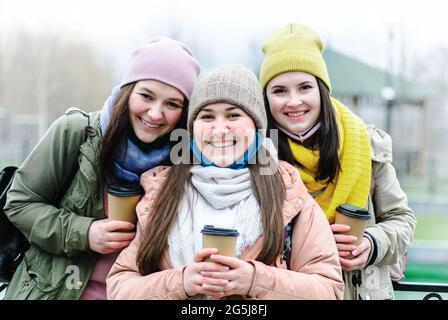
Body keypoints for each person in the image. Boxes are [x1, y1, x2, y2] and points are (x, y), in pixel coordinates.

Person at [106, 64, 343, 300]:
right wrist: (181, 282)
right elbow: (120, 286)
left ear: (256, 126)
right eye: (207, 117)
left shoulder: (288, 191)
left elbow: (329, 289)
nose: (219, 130)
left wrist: (254, 280)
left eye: (233, 115)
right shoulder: (162, 190)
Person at [4, 37, 200, 299]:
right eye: (146, 96)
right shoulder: (76, 132)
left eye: (172, 104)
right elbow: (20, 203)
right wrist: (84, 233)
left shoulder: (186, 162)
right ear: (127, 90)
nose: (155, 113)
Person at [260, 23, 416, 299]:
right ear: (266, 98)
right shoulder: (256, 155)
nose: (294, 101)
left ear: (321, 90)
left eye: (305, 87)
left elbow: (401, 219)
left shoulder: (367, 145)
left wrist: (371, 243)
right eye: (280, 90)